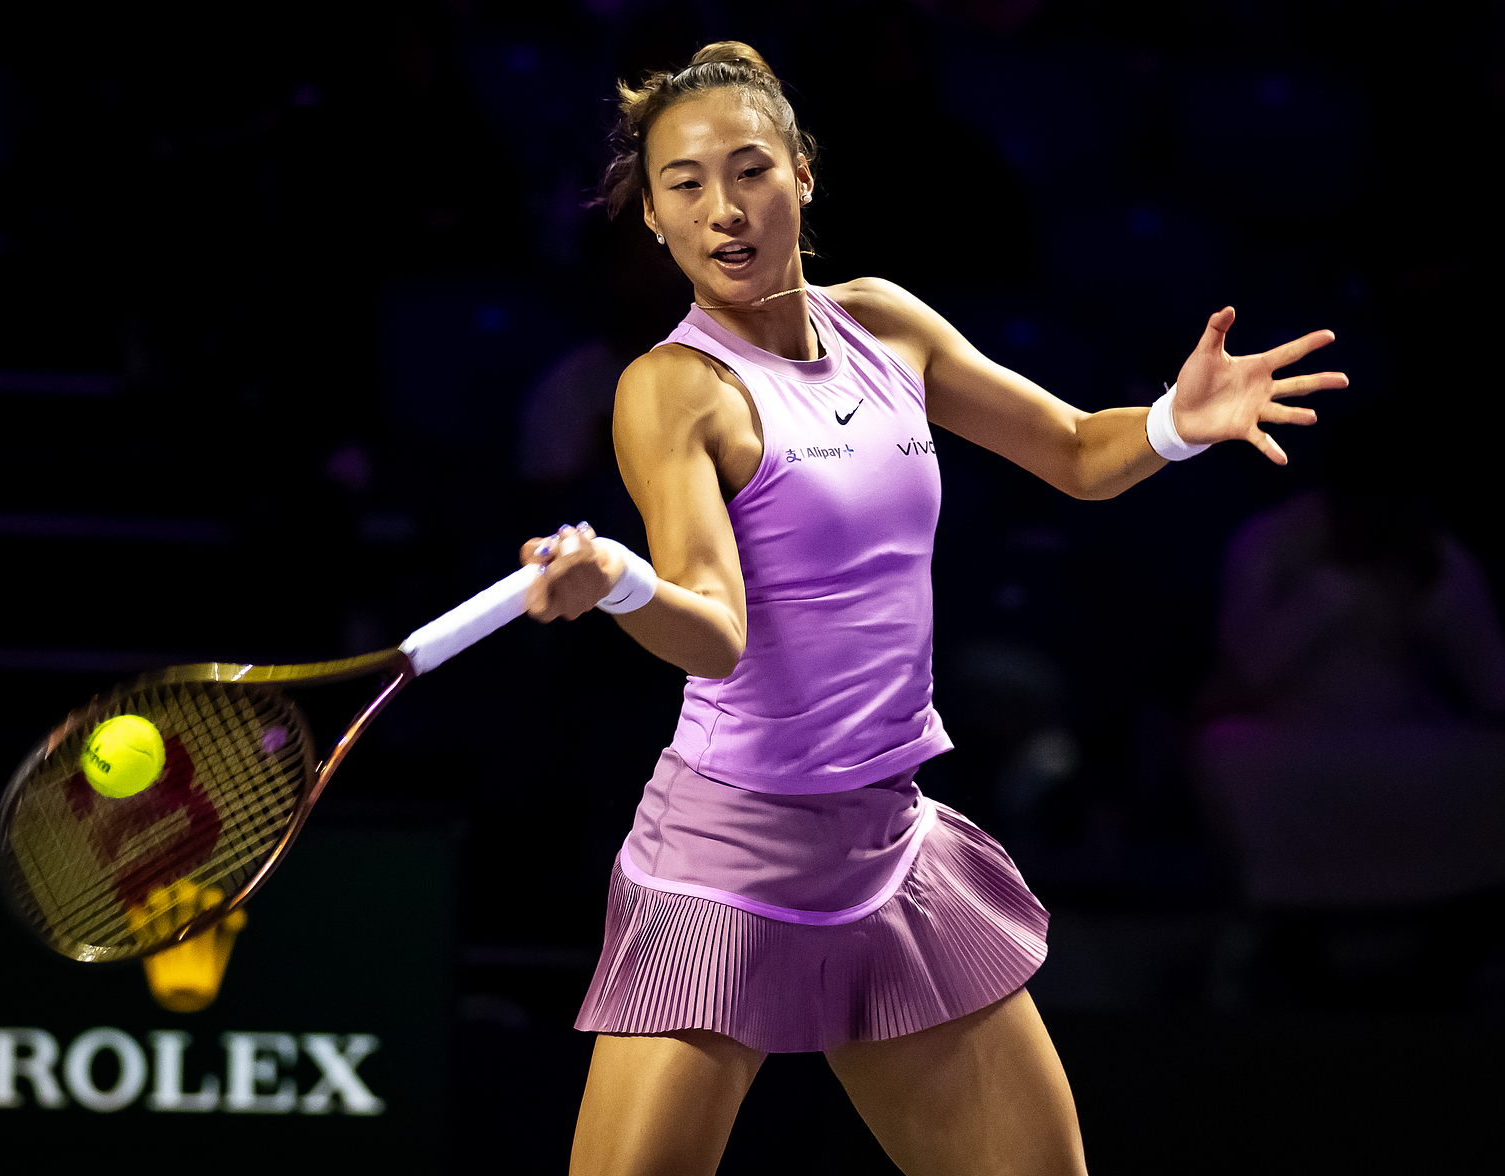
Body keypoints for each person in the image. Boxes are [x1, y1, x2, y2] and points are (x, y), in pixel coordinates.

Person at [519, 42, 1344, 1176]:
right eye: (684, 185)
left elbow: (1067, 449)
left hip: (883, 847)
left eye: (748, 169)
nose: (722, 209)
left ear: (802, 175)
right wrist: (619, 583)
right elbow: (712, 628)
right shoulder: (672, 390)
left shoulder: (884, 326)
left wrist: (1167, 424)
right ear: (652, 221)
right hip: (724, 859)